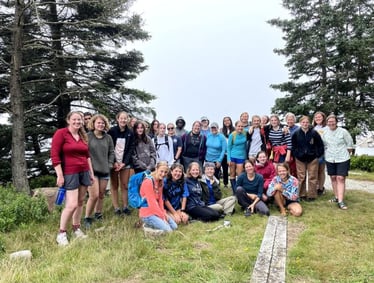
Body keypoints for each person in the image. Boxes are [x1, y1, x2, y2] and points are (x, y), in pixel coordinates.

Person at [51, 111, 94, 246]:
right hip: (70, 173)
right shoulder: (61, 133)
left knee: (80, 202)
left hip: (84, 172)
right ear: (69, 120)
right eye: (74, 119)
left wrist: (91, 173)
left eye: (80, 120)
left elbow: (87, 156)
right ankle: (62, 233)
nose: (77, 122)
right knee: (71, 204)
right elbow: (54, 155)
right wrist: (59, 174)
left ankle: (76, 228)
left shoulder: (82, 135)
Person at [84, 114, 115, 228]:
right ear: (93, 124)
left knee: (101, 195)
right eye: (98, 123)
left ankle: (98, 213)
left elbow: (112, 152)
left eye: (103, 123)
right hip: (91, 171)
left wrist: (110, 164)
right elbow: (83, 152)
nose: (101, 125)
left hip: (105, 170)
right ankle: (87, 217)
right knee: (94, 195)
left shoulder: (108, 138)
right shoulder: (88, 136)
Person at [322, 114, 354, 210]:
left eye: (333, 121)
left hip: (342, 158)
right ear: (327, 123)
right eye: (329, 121)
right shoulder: (325, 132)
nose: (331, 123)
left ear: (336, 122)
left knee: (340, 178)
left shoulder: (343, 132)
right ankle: (336, 197)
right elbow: (323, 144)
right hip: (330, 157)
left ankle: (341, 201)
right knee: (333, 177)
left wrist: (344, 153)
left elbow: (350, 145)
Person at [108, 111, 135, 216]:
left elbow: (131, 149)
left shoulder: (130, 132)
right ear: (117, 119)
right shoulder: (112, 131)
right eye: (121, 118)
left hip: (125, 163)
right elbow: (110, 148)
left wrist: (124, 163)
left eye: (125, 118)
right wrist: (114, 162)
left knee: (124, 185)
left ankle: (125, 206)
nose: (123, 120)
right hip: (114, 162)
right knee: (114, 185)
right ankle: (116, 208)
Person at [292, 116, 324, 201]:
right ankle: (302, 194)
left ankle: (312, 195)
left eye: (306, 122)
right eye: (303, 122)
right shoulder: (296, 133)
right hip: (300, 158)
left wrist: (317, 155)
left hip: (312, 158)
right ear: (300, 123)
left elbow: (320, 145)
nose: (305, 124)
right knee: (301, 177)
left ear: (309, 123)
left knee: (312, 177)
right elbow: (293, 146)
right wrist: (296, 154)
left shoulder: (314, 133)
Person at [139, 161, 177, 231]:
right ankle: (147, 226)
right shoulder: (148, 182)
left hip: (157, 211)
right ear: (156, 169)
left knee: (174, 227)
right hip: (147, 213)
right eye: (161, 171)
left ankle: (155, 225)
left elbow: (160, 200)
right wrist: (162, 217)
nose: (163, 174)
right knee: (168, 231)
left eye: (165, 172)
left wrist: (163, 213)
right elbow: (152, 203)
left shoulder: (160, 182)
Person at [227, 120, 248, 193]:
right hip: (233, 155)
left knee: (240, 174)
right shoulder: (232, 135)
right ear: (235, 127)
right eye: (238, 126)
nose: (240, 127)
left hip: (241, 156)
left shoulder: (245, 133)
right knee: (232, 174)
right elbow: (228, 147)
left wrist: (246, 157)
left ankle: (239, 190)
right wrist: (228, 159)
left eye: (242, 126)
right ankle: (234, 191)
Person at [313, 111, 327, 195]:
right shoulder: (313, 128)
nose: (318, 118)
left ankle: (321, 188)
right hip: (314, 152)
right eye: (316, 117)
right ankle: (315, 187)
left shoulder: (327, 128)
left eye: (319, 117)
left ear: (323, 118)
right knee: (314, 171)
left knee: (321, 171)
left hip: (323, 151)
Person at [220, 116, 235, 188]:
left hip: (232, 152)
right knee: (224, 169)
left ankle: (234, 183)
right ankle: (225, 183)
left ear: (230, 121)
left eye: (228, 120)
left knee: (233, 168)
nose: (226, 122)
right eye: (225, 121)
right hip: (224, 152)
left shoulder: (234, 130)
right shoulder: (221, 130)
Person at [285, 112, 299, 177]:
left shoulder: (298, 129)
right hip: (287, 152)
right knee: (288, 169)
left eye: (291, 119)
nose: (289, 121)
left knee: (296, 170)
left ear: (294, 120)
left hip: (295, 152)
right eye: (288, 119)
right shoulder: (285, 129)